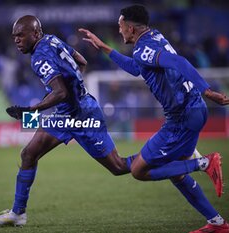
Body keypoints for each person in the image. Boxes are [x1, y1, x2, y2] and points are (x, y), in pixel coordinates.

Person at [79, 5, 229, 233]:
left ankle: (205, 163)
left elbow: (180, 63)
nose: (119, 32)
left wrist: (207, 91)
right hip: (194, 111)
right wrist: (104, 48)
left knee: (139, 170)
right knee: (176, 172)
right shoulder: (154, 37)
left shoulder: (143, 49)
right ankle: (217, 223)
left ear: (130, 28)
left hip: (181, 119)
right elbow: (136, 69)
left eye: (120, 27)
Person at [0, 15, 131, 227]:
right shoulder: (52, 40)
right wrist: (74, 87)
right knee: (28, 154)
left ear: (35, 34)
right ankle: (18, 213)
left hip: (82, 115)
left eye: (21, 35)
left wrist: (31, 109)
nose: (16, 40)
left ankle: (179, 160)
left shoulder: (38, 57)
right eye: (14, 36)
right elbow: (81, 62)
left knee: (118, 167)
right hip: (66, 113)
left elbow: (60, 92)